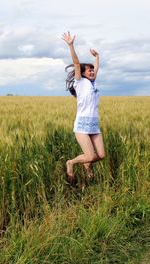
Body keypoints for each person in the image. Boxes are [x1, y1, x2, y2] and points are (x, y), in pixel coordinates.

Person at [61, 31, 105, 184]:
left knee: (100, 155)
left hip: (94, 125)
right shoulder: (80, 83)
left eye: (93, 70)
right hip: (81, 125)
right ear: (83, 74)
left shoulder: (93, 83)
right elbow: (77, 64)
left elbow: (97, 68)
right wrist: (71, 45)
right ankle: (71, 163)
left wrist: (97, 57)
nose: (92, 72)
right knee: (90, 156)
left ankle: (86, 164)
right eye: (90, 70)